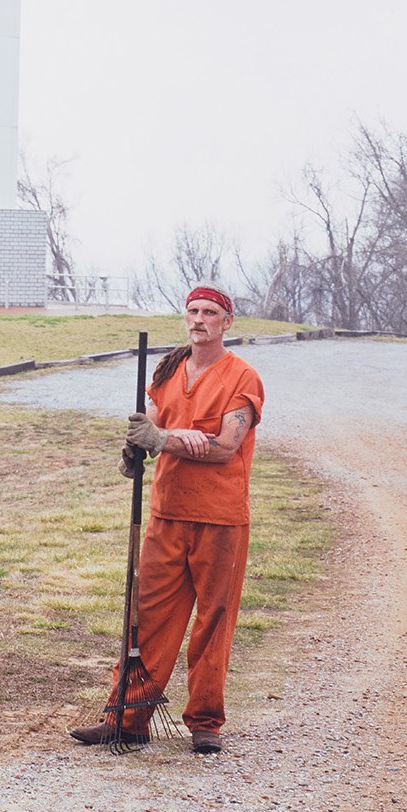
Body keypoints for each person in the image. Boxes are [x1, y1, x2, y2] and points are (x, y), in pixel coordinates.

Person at [70, 284, 264, 755]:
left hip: (220, 518)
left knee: (214, 619)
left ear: (227, 322)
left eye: (210, 312)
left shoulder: (243, 377)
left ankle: (205, 721)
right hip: (167, 513)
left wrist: (167, 439)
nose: (199, 319)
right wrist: (136, 449)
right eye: (193, 311)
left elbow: (224, 448)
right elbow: (150, 425)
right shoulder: (168, 369)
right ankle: (128, 718)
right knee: (148, 617)